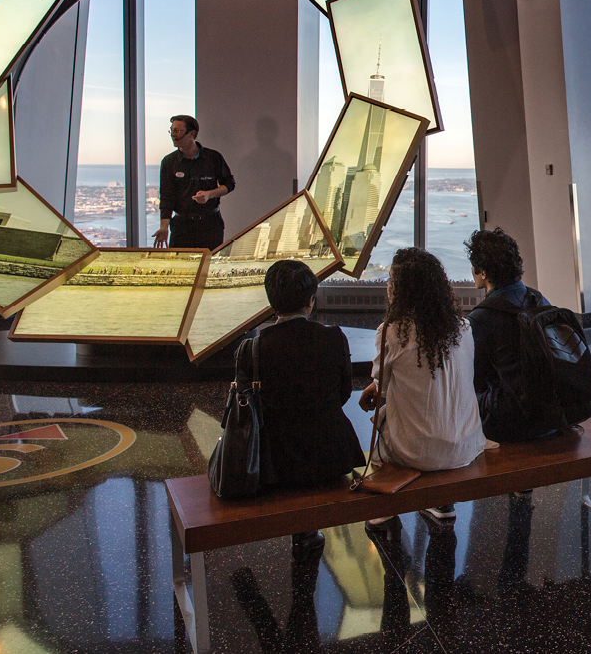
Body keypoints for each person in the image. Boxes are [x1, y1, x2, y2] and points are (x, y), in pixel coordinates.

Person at [235, 260, 365, 556]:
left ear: (272, 302)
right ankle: (308, 532)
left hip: (272, 461)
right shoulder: (333, 338)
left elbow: (246, 406)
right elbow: (343, 392)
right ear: (311, 300)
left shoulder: (252, 349)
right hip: (331, 453)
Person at [358, 248, 488, 531]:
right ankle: (442, 503)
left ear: (403, 290)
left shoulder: (391, 331)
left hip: (415, 452)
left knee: (382, 422)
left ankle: (384, 512)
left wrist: (373, 389)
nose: (388, 286)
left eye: (392, 281)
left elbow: (383, 384)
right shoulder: (463, 327)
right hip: (466, 444)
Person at [465, 227, 558, 442]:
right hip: (552, 414)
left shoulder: (481, 318)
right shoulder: (539, 299)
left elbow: (471, 375)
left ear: (484, 272)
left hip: (513, 422)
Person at [153, 115, 236, 249]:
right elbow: (167, 198)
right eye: (171, 130)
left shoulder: (213, 157)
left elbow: (229, 184)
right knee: (181, 266)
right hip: (182, 226)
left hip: (210, 224)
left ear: (192, 133)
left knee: (210, 265)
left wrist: (210, 194)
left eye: (177, 131)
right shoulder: (169, 162)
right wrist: (164, 227)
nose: (173, 135)